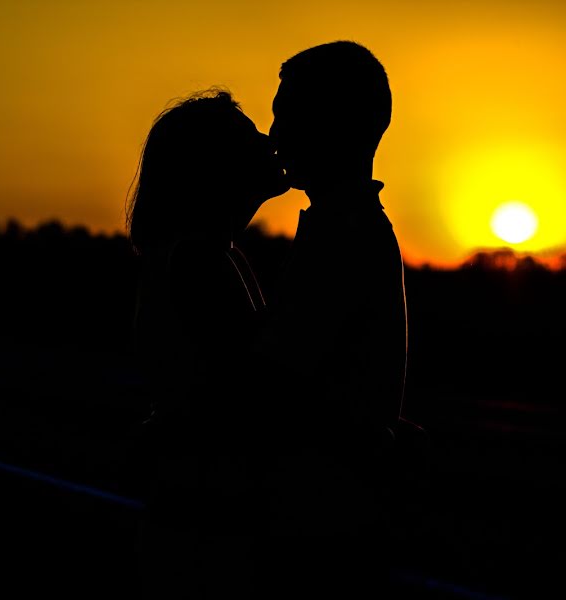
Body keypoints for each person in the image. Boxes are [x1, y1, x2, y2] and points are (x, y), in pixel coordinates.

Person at [250, 40, 410, 596]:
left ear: (329, 124)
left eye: (285, 117)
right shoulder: (351, 227)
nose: (273, 137)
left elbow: (276, 387)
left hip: (319, 532)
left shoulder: (341, 238)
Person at [127, 88, 289, 599]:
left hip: (192, 514)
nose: (269, 142)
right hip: (209, 531)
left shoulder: (203, 253)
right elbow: (251, 391)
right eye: (249, 138)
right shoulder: (198, 260)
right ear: (213, 169)